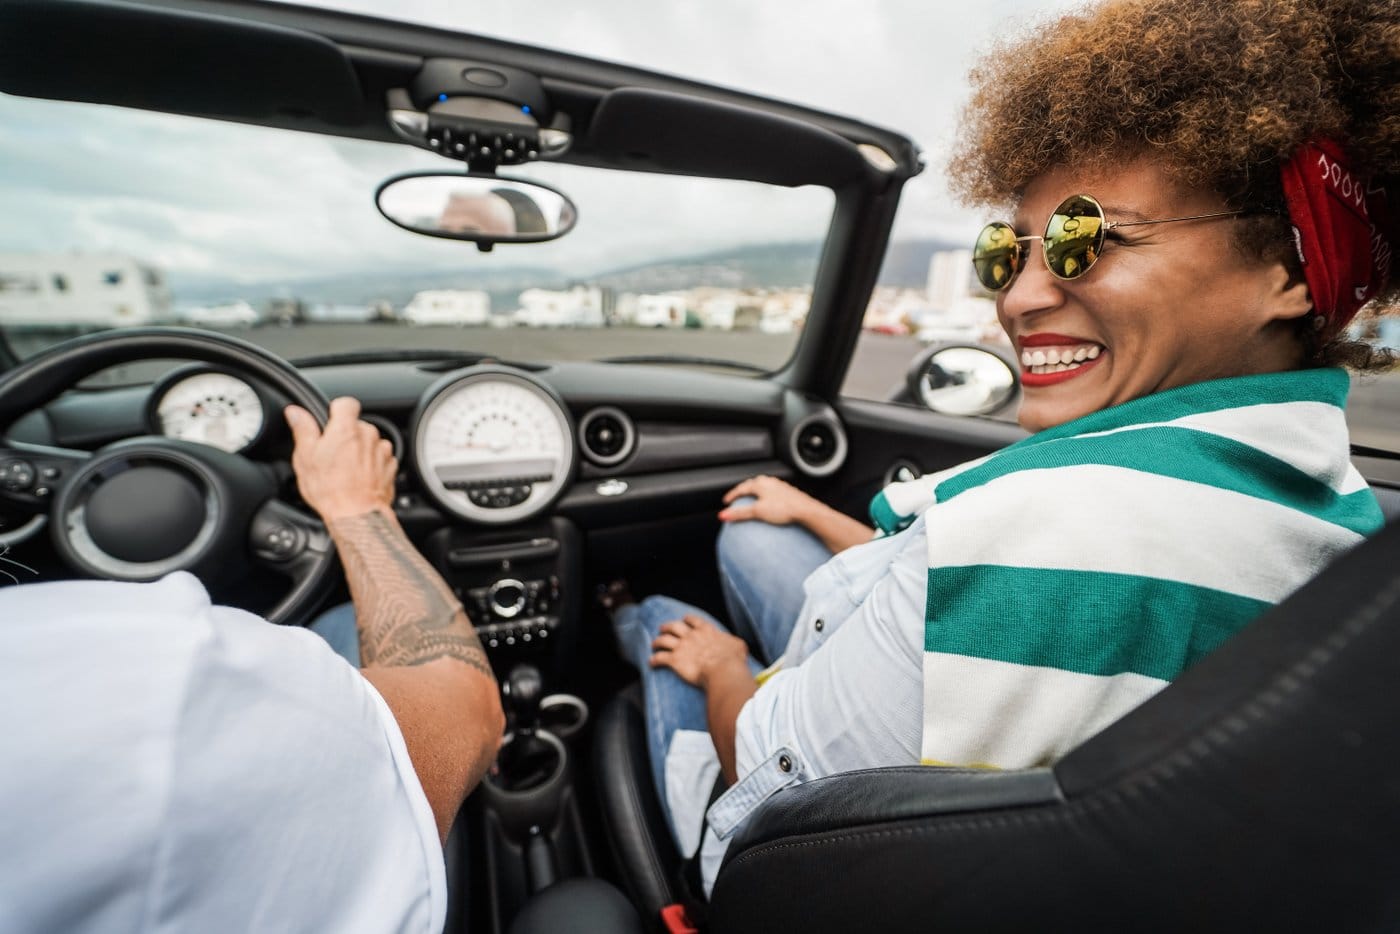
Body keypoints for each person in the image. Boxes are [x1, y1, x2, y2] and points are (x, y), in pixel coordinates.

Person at [609, 0, 1398, 894]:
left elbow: (770, 786)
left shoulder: (1035, 529)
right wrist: (819, 518)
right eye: (1007, 252)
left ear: (1287, 274)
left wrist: (721, 673)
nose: (1018, 300)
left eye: (1084, 240)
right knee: (755, 534)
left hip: (784, 857)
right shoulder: (1332, 509)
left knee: (670, 627)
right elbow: (983, 589)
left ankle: (622, 610)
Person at [0, 397, 505, 932]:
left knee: (339, 622)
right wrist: (355, 505)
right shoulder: (159, 674)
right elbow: (468, 707)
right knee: (351, 621)